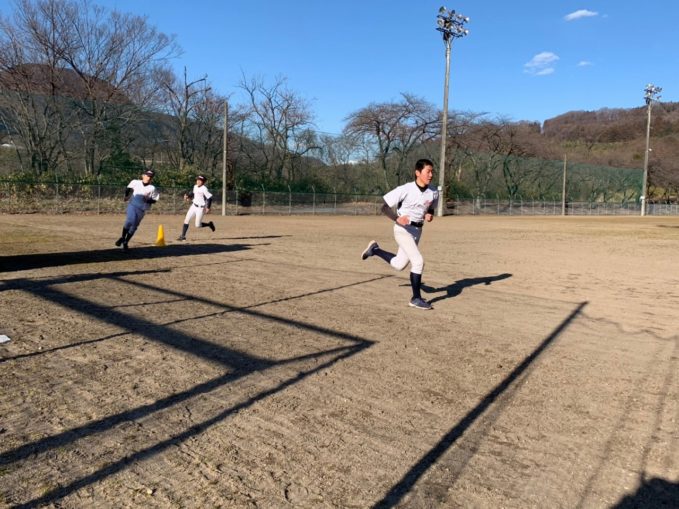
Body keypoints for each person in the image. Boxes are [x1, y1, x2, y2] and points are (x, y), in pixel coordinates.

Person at [361, 158, 439, 310]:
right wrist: (397, 218)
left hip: (417, 231)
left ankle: (375, 249)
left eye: (432, 172)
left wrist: (429, 214)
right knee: (418, 262)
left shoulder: (434, 191)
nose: (431, 175)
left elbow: (430, 207)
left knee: (399, 264)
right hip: (402, 230)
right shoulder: (405, 189)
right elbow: (384, 207)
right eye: (428, 171)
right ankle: (416, 299)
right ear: (418, 173)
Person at [115, 169, 159, 251]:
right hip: (132, 205)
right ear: (143, 175)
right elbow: (128, 188)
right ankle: (123, 238)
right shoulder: (135, 182)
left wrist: (148, 200)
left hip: (142, 209)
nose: (148, 178)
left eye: (150, 176)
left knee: (134, 226)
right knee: (130, 220)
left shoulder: (152, 188)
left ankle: (125, 241)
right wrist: (126, 196)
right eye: (147, 175)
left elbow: (155, 200)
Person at [177, 175, 215, 240]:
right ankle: (183, 236)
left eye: (200, 180)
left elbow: (209, 198)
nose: (198, 181)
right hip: (193, 206)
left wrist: (208, 207)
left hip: (200, 208)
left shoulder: (204, 189)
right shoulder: (195, 186)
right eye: (197, 180)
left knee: (197, 225)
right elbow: (193, 194)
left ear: (203, 182)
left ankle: (209, 224)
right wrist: (188, 196)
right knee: (186, 220)